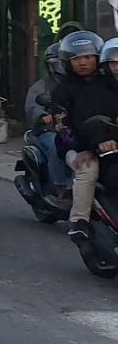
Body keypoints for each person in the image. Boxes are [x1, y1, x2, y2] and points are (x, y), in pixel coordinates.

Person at [49, 30, 118, 242]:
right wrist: (84, 148)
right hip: (77, 148)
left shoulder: (110, 85)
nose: (83, 63)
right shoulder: (62, 90)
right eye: (76, 58)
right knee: (87, 168)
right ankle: (79, 221)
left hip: (109, 144)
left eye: (88, 57)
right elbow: (62, 126)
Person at [25, 43, 70, 198]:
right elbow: (32, 106)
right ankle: (61, 189)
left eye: (62, 63)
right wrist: (43, 116)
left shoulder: (79, 84)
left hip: (75, 129)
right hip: (49, 130)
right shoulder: (41, 86)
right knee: (57, 145)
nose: (59, 67)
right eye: (55, 64)